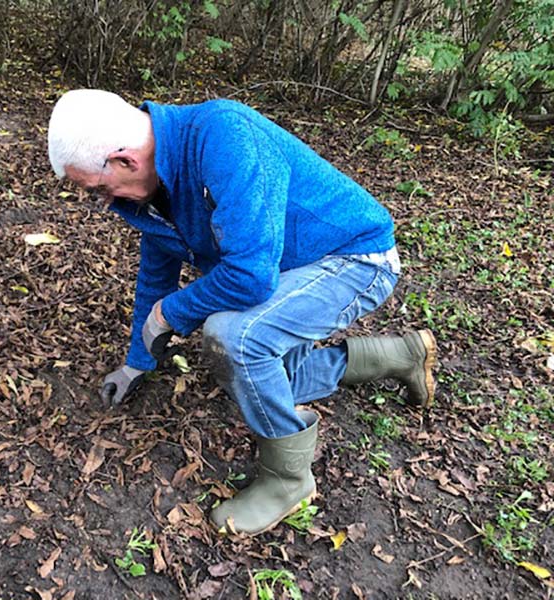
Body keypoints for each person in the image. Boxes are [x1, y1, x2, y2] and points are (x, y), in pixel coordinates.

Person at [47, 89, 437, 535]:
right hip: (290, 266)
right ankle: (400, 356)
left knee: (237, 337)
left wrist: (170, 314)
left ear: (126, 161)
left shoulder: (226, 137)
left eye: (98, 189)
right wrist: (136, 361)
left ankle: (289, 480)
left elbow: (250, 277)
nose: (102, 201)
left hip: (355, 259)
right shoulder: (149, 190)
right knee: (265, 380)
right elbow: (156, 276)